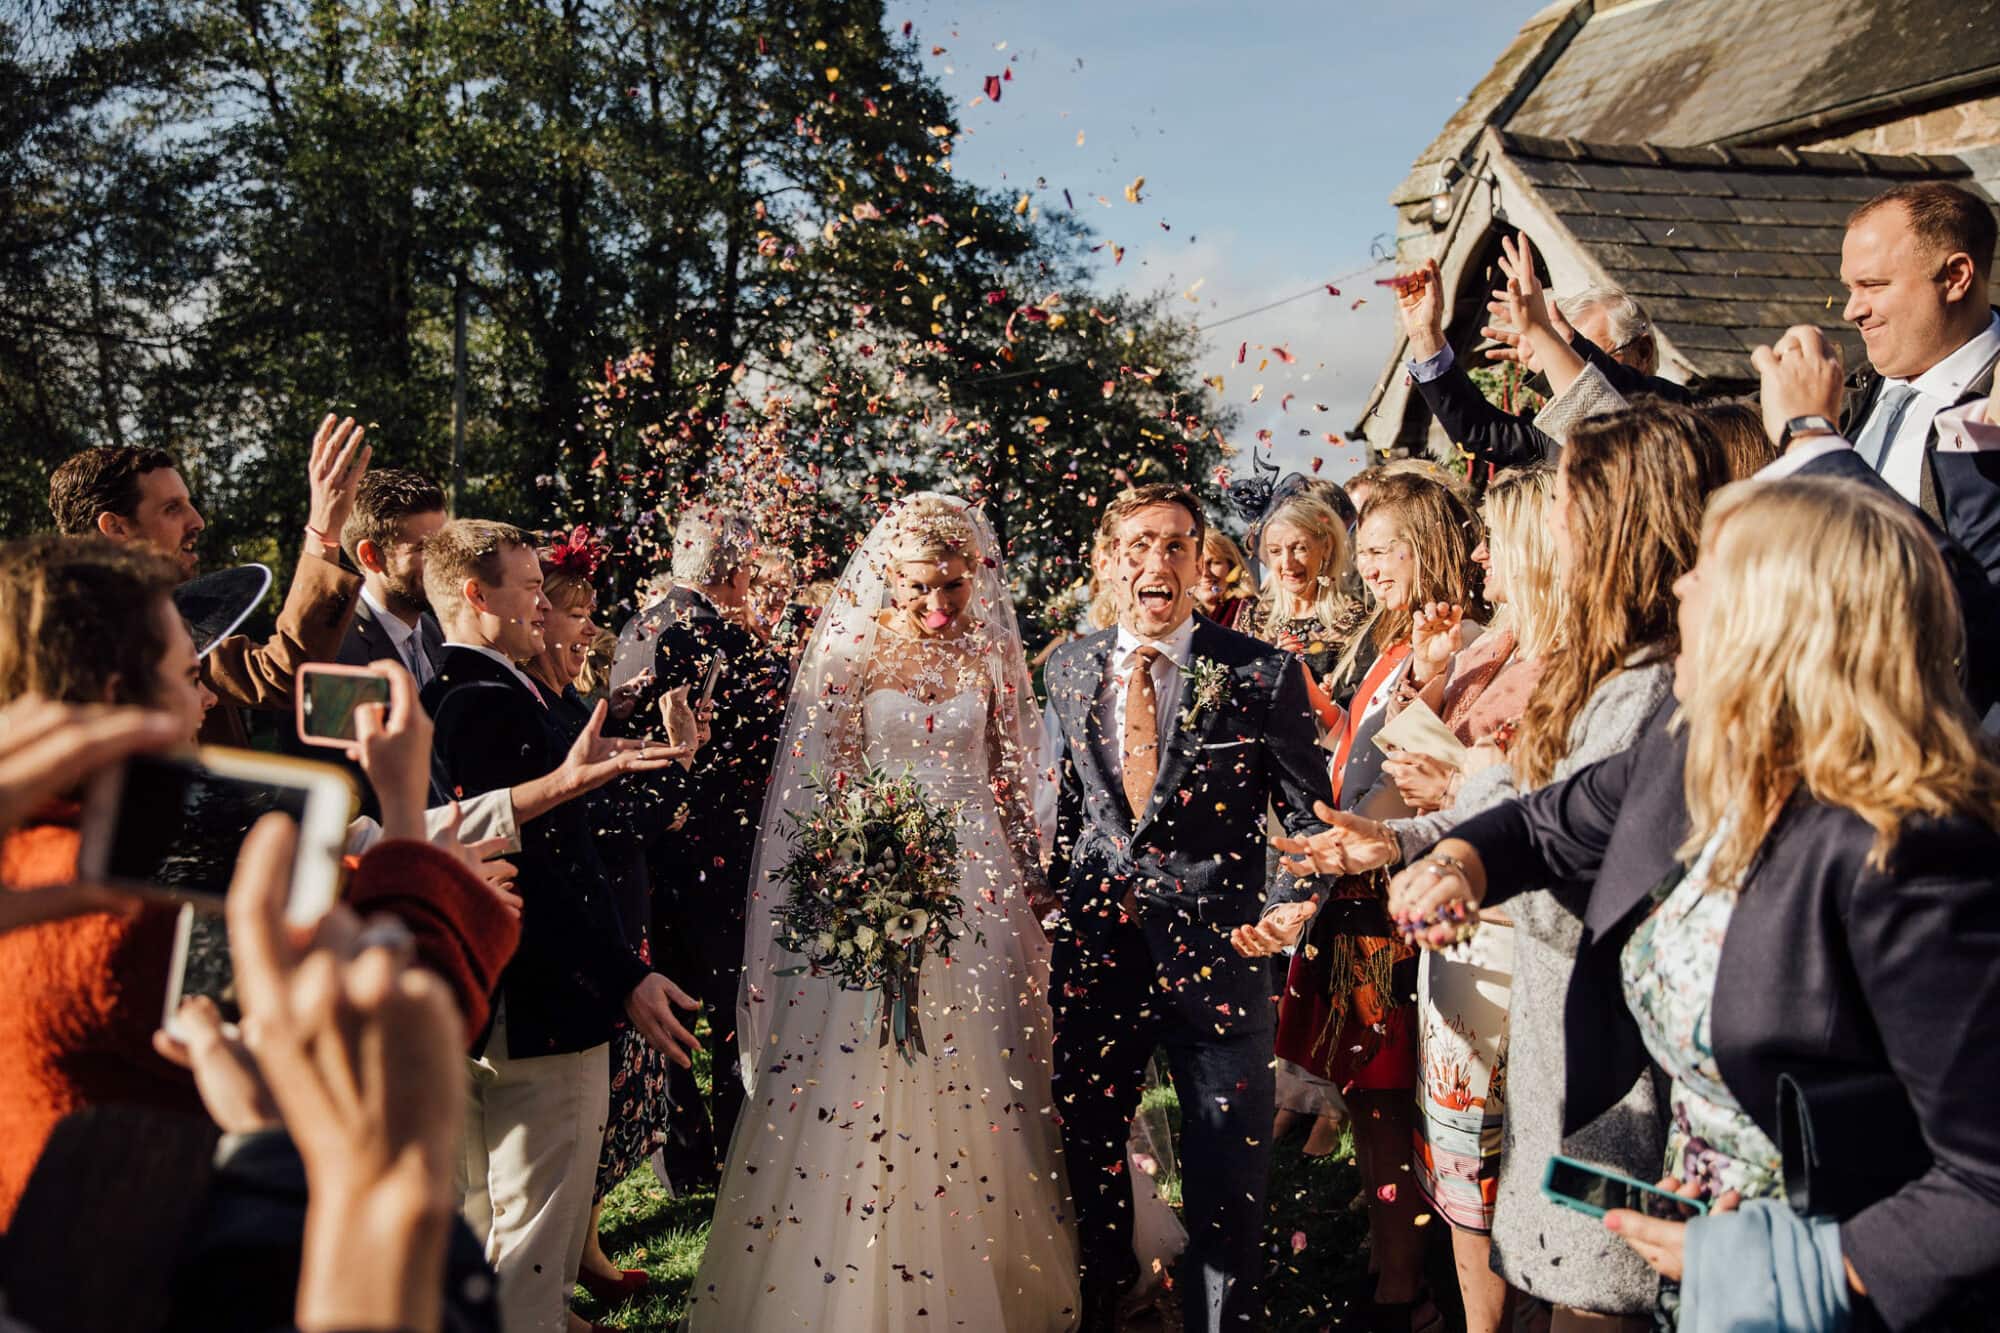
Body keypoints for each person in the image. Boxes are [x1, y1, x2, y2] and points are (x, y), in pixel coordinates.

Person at [1385, 477, 2000, 1331]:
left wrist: (1789, 1262)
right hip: (1708, 1268)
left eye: (1707, 570)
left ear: (1782, 616)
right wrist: (1458, 865)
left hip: (1838, 1289)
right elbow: (1541, 823)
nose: (1679, 585)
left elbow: (1986, 1179)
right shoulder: (1699, 753)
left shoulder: (1909, 853)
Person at [1275, 405, 1736, 1330]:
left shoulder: (1656, 684)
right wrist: (1412, 845)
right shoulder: (1624, 673)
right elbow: (1552, 817)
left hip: (1617, 1069)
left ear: (1613, 527)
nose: (1529, 536)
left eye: (1560, 509)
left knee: (1597, 1291)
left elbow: (1595, 873)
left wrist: (1461, 828)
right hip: (1571, 1053)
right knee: (1563, 1269)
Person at [689, 494, 1080, 1330]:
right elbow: (825, 780)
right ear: (888, 578)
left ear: (975, 578)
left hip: (977, 883)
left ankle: (981, 1259)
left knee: (982, 1060)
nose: (938, 605)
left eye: (954, 586)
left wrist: (1033, 876)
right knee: (864, 1063)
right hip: (876, 875)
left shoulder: (991, 652)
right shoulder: (851, 653)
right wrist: (852, 872)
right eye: (920, 586)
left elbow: (1010, 779)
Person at [1043, 483, 1333, 1333]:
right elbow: (1074, 807)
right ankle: (1108, 1305)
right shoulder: (1068, 667)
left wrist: (1291, 905)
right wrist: (1048, 895)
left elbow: (1309, 818)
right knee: (1089, 1152)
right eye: (1138, 544)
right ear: (1109, 562)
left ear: (1201, 562)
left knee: (1227, 1176)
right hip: (1099, 957)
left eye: (1176, 544)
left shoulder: (1260, 671)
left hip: (1223, 956)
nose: (1157, 561)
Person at [420, 518, 700, 1333]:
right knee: (533, 1248)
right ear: (476, 596)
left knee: (488, 1228)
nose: (544, 607)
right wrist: (623, 974)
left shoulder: (454, 691)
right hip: (545, 999)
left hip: (487, 997)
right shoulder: (489, 702)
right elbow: (553, 871)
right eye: (531, 589)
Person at [1264, 471, 1480, 1323]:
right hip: (1356, 891)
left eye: (1387, 549)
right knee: (1369, 1092)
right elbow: (1360, 746)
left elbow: (1435, 770)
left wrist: (1432, 675)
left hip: (1398, 894)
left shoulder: (1461, 641)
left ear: (1430, 547)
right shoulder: (1391, 642)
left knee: (1391, 1095)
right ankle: (1394, 1263)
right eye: (1370, 550)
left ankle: (1405, 1289)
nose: (1372, 564)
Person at [521, 531, 698, 1314]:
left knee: (611, 1108)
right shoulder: (532, 710)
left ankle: (583, 1251)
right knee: (584, 1115)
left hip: (622, 919)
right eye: (576, 613)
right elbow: (613, 821)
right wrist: (678, 761)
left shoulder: (565, 702)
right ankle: (557, 1281)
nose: (592, 628)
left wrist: (627, 719)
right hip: (592, 938)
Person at [612, 505, 788, 1190]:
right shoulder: (724, 639)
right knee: (730, 1006)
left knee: (675, 1002)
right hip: (721, 848)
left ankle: (683, 1160)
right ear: (738, 571)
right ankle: (737, 1146)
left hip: (651, 848)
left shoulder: (638, 626)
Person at [46, 416, 369, 746]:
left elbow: (282, 674)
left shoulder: (172, 621)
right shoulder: (65, 646)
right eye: (172, 508)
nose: (197, 521)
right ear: (116, 528)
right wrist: (321, 532)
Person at [1836, 181, 2000, 578]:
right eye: (1850, 288)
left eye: (1873, 285)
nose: (1851, 310)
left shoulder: (1991, 405)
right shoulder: (1836, 389)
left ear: (1956, 277)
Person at [1396, 249, 1687, 467]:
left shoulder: (1690, 422)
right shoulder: (1559, 440)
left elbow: (1618, 402)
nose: (1569, 369)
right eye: (1568, 357)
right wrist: (1425, 335)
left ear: (1643, 352)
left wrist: (1554, 343)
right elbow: (1482, 432)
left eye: (1592, 358)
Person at [1236, 491, 1370, 708]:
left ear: (1326, 547)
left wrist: (1327, 697)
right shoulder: (1255, 616)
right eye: (1275, 551)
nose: (1287, 563)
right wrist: (1270, 664)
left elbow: (1361, 699)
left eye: (1299, 548)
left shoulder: (1353, 618)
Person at [336, 467, 449, 682]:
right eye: (423, 548)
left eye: (444, 544)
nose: (443, 559)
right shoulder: (339, 652)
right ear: (370, 556)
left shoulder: (432, 630)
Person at [1192, 529, 1257, 630]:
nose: (1204, 573)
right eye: (1196, 565)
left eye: (1214, 562)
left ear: (1232, 567)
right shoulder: (1181, 619)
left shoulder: (1254, 613)